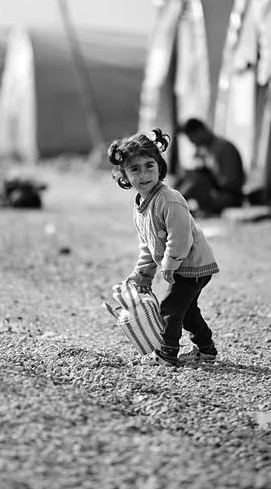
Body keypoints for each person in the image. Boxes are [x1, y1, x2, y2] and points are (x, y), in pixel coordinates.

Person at [107, 128, 219, 367]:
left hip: (193, 263)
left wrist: (169, 264)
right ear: (124, 175)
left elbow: (181, 237)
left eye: (149, 166)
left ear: (159, 166)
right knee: (187, 310)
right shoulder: (142, 206)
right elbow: (148, 246)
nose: (144, 174)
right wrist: (142, 274)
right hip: (184, 264)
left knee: (170, 307)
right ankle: (206, 349)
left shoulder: (169, 199)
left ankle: (167, 352)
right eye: (135, 169)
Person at [176, 118, 245, 216]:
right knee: (185, 179)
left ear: (200, 131)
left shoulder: (224, 148)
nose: (191, 142)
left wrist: (206, 178)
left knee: (195, 181)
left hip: (230, 198)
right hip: (217, 193)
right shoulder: (206, 150)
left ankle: (174, 208)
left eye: (191, 137)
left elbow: (231, 183)